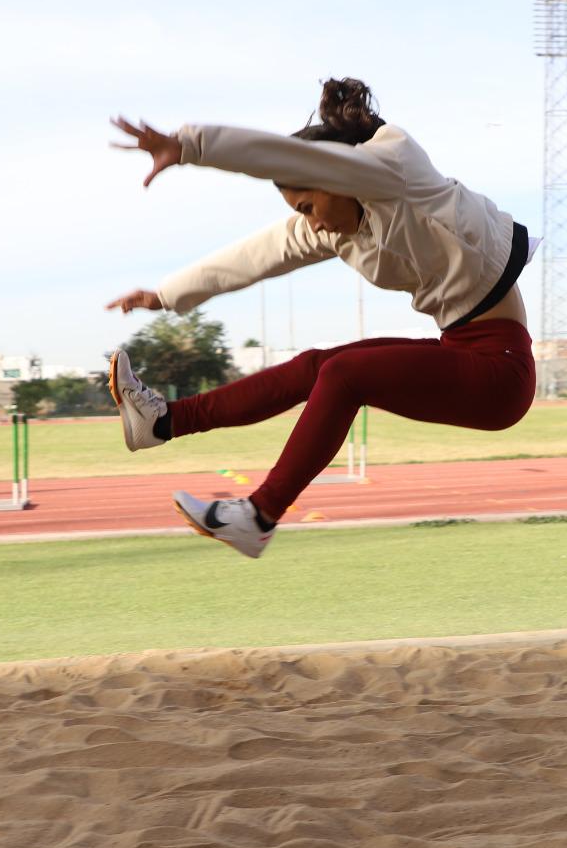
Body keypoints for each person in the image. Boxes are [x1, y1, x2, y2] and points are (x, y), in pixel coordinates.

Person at [105, 77, 535, 559]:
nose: (313, 223)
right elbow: (258, 254)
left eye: (309, 206)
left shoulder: (397, 170)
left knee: (344, 375)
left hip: (499, 373)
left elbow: (297, 160)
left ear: (334, 179)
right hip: (463, 350)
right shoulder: (337, 229)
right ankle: (162, 422)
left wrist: (190, 144)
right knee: (316, 366)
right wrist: (165, 294)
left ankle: (259, 516)